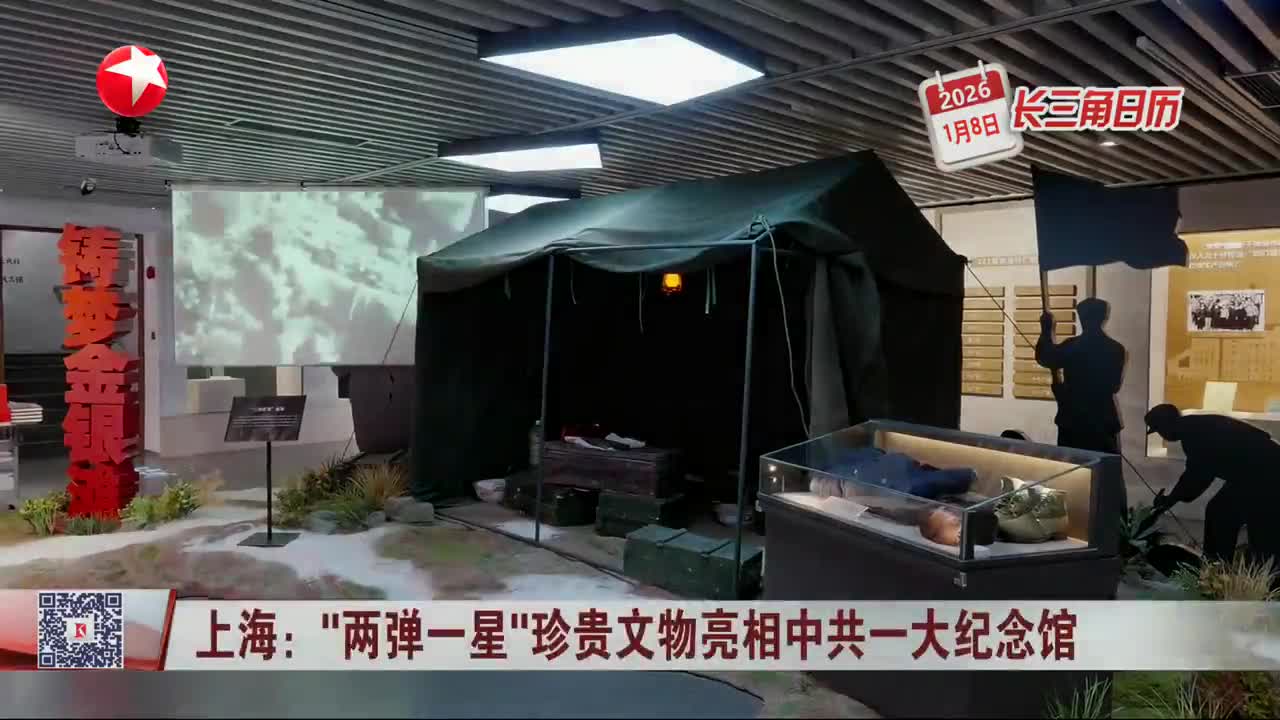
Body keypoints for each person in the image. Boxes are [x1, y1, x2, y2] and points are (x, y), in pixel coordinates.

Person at [1146, 403, 1280, 564]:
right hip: (1252, 474)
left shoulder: (1194, 433)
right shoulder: (1194, 426)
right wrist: (1172, 499)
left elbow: (1197, 475)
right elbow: (1196, 473)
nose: (1162, 435)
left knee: (1256, 527)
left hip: (1266, 475)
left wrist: (1170, 500)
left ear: (1166, 425)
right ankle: (1217, 564)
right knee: (1219, 512)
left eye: (1159, 430)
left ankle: (1220, 566)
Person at [1035, 298, 1127, 453]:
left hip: (1074, 418)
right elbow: (1114, 386)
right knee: (1104, 465)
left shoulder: (1072, 346)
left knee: (1074, 464)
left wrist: (1046, 329)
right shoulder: (1115, 349)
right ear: (1104, 317)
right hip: (1102, 418)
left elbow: (1046, 357)